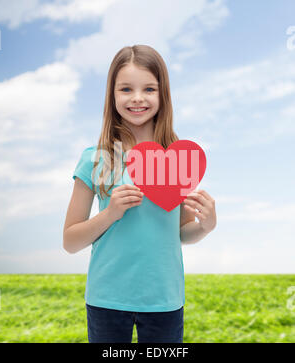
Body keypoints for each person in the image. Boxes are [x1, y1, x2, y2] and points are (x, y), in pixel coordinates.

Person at [63, 44, 217, 343]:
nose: (137, 98)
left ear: (163, 95)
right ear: (112, 95)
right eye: (125, 89)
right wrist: (110, 213)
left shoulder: (179, 159)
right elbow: (70, 241)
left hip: (164, 299)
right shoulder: (96, 158)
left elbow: (181, 234)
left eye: (149, 88)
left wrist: (205, 226)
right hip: (107, 299)